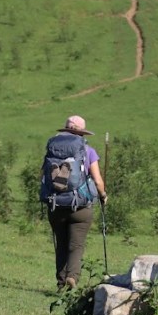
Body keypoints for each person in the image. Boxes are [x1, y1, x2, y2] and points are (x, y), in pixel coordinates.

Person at [41, 114, 108, 290]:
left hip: (56, 204)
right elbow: (98, 180)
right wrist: (103, 195)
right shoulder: (89, 151)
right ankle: (72, 276)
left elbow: (44, 177)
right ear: (82, 133)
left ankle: (61, 282)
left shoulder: (53, 149)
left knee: (61, 243)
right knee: (76, 245)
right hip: (80, 205)